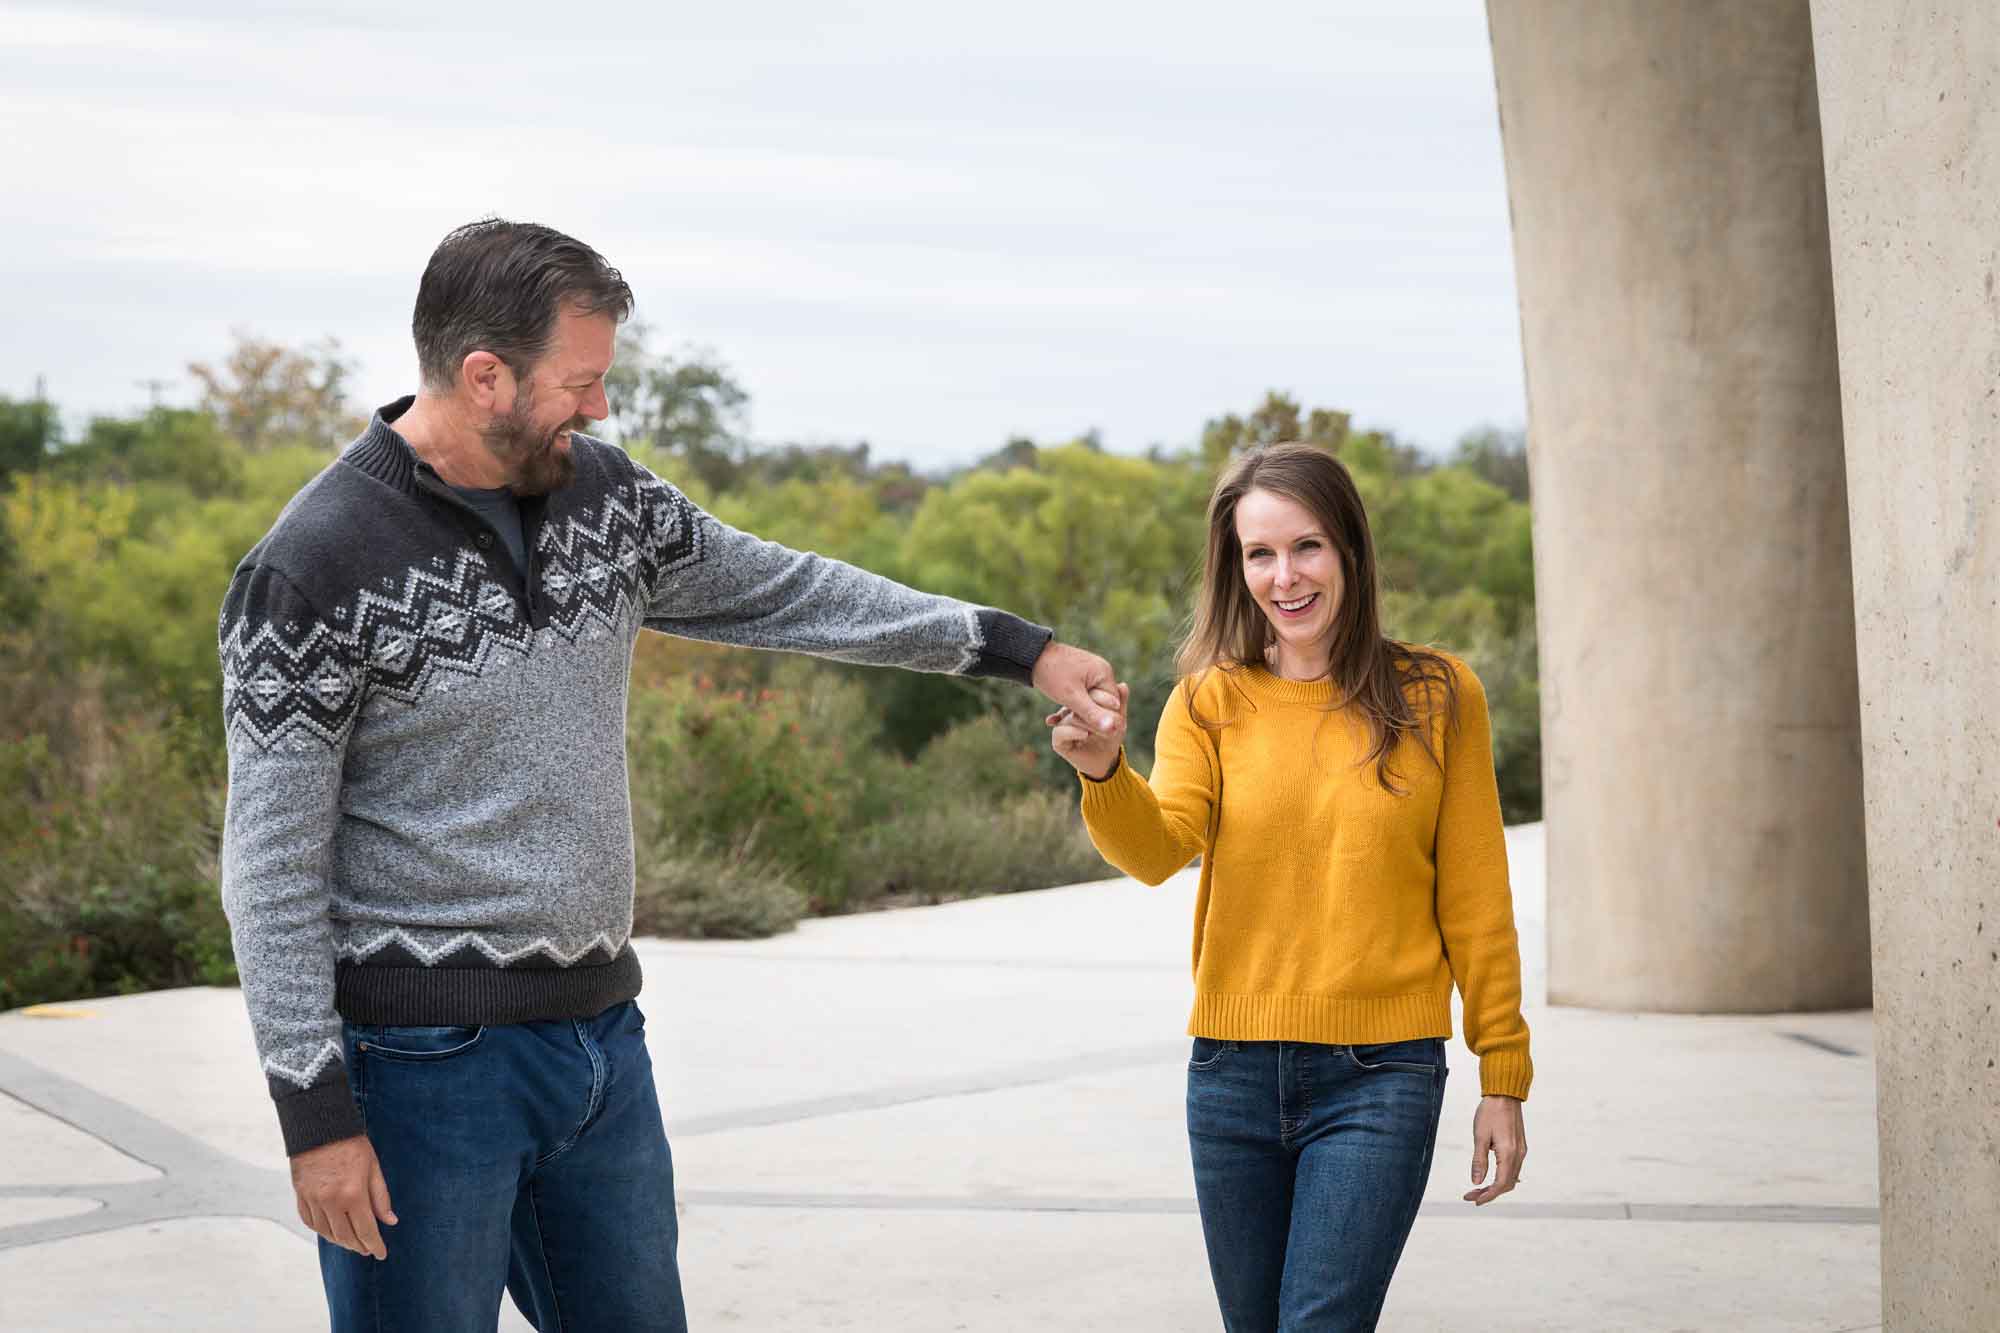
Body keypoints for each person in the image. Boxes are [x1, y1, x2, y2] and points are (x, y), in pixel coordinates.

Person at [217, 217, 1127, 1332]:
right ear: (484, 376)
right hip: (420, 1070)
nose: (599, 408)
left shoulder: (607, 499)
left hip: (599, 1040)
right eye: (581, 382)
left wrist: (1015, 647)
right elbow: (269, 864)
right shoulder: (310, 566)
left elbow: (791, 591)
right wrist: (314, 1115)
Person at [1048, 442, 1531, 1332]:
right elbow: (1158, 850)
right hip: (1231, 1073)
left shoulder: (1438, 694)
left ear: (1349, 548)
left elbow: (1476, 897)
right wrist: (1107, 771)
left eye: (1306, 546)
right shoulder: (1207, 701)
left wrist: (1503, 1071)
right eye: (1259, 553)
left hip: (1381, 1075)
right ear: (1236, 568)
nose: (1285, 576)